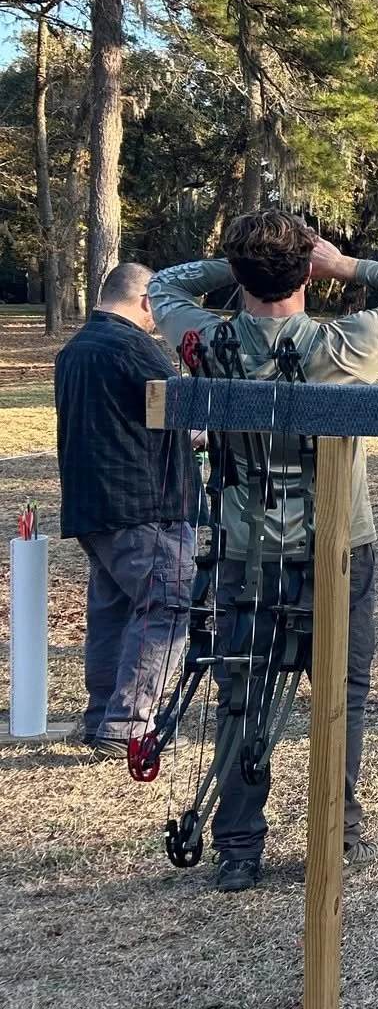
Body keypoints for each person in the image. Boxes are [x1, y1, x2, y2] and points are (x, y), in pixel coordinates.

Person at [150, 212, 378, 891]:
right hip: (339, 546)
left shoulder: (203, 338)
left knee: (241, 692)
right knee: (340, 692)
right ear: (306, 272)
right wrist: (342, 265)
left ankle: (237, 847)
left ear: (239, 276)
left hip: (241, 546)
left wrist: (230, 267)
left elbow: (163, 284)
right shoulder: (343, 347)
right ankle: (336, 831)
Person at [52, 263, 197, 758]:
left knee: (114, 612)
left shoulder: (75, 350)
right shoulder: (134, 347)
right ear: (146, 302)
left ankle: (100, 719)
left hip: (93, 504)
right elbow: (184, 411)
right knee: (168, 605)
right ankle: (130, 724)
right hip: (143, 503)